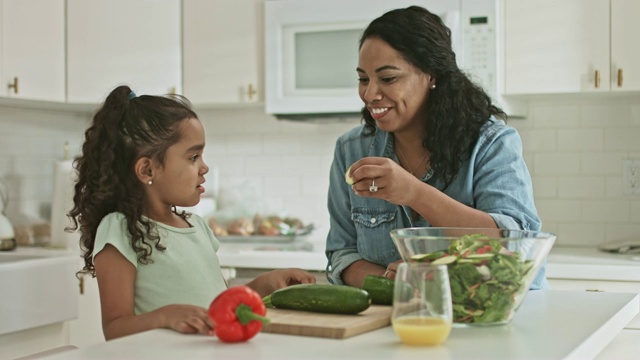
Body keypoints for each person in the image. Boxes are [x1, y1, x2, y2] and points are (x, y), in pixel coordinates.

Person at [68, 85, 315, 341]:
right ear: (147, 170)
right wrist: (165, 316)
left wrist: (260, 286)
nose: (204, 167)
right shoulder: (119, 229)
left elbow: (215, 306)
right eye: (193, 157)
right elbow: (114, 327)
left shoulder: (197, 226)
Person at [325, 6, 547, 290]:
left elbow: (516, 247)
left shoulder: (490, 143)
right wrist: (395, 282)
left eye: (388, 78)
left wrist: (414, 193)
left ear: (431, 75)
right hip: (401, 321)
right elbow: (342, 254)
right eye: (363, 79)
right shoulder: (351, 150)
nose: (369, 94)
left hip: (493, 318)